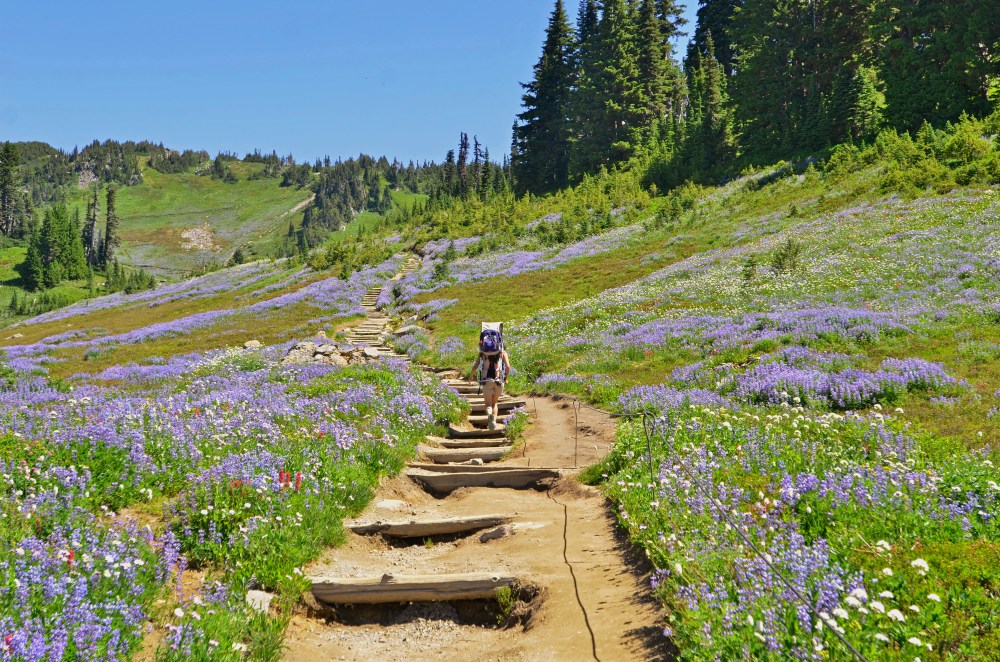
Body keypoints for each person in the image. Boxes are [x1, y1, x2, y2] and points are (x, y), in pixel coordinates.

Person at [469, 334, 511, 430]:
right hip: (498, 380)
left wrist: (471, 376)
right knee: (494, 403)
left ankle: (490, 417)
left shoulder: (482, 354)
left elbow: (475, 366)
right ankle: (494, 422)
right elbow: (508, 367)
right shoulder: (502, 353)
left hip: (486, 380)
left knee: (488, 404)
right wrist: (506, 378)